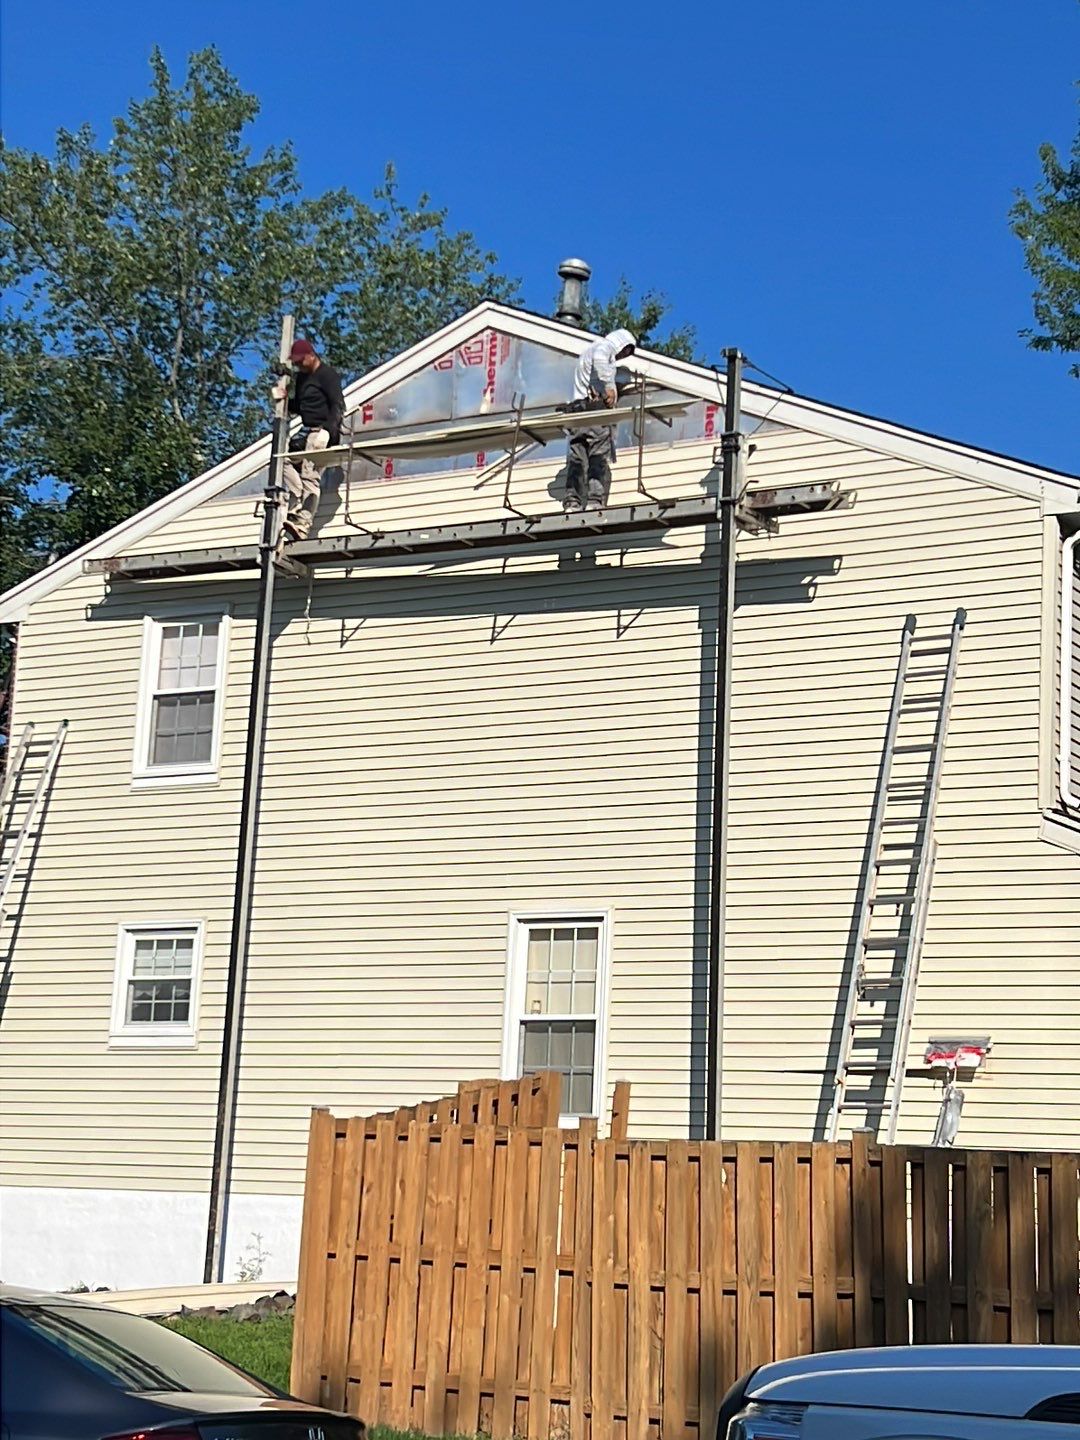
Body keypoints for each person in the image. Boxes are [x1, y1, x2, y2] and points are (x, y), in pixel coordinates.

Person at [273, 339, 345, 541]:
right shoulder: (303, 379)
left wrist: (329, 432)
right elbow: (303, 406)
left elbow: (338, 405)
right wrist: (285, 399)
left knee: (309, 475)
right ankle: (298, 500)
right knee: (283, 461)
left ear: (311, 356)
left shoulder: (327, 375)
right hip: (306, 431)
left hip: (321, 432)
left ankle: (303, 523)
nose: (297, 366)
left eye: (299, 361)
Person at [563, 328, 636, 513]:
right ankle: (595, 500)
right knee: (598, 454)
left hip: (577, 412)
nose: (622, 355)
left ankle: (573, 501)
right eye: (625, 351)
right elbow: (601, 361)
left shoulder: (590, 349)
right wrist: (610, 388)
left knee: (577, 456)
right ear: (621, 342)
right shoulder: (604, 348)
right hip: (593, 410)